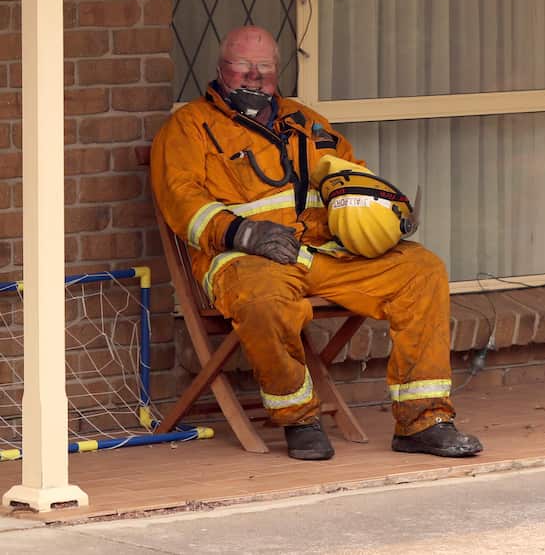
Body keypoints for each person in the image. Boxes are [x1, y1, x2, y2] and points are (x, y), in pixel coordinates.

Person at [151, 25, 483, 461]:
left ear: (277, 71)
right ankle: (299, 420)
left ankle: (424, 422)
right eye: (242, 66)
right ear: (220, 69)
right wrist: (245, 234)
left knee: (422, 271)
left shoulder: (307, 123)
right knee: (266, 303)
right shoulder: (188, 128)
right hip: (244, 261)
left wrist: (385, 214)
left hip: (325, 253)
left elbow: (352, 181)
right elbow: (183, 202)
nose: (253, 76)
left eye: (264, 67)